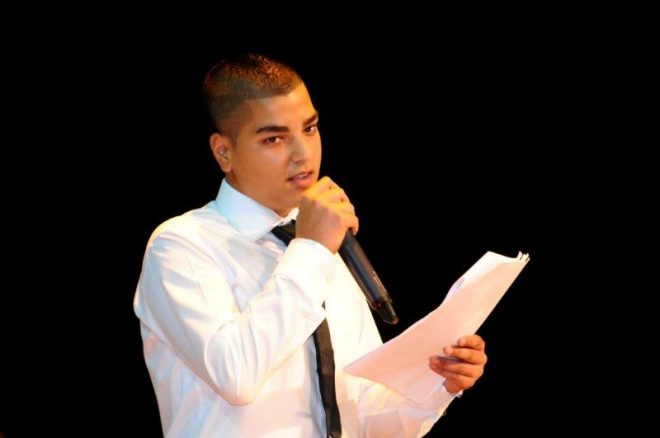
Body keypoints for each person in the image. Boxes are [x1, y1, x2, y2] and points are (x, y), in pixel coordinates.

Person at [134, 53, 487, 437]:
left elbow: (361, 416)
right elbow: (235, 374)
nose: (303, 154)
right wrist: (313, 249)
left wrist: (437, 382)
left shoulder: (321, 252)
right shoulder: (182, 245)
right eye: (274, 138)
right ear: (224, 152)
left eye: (310, 128)